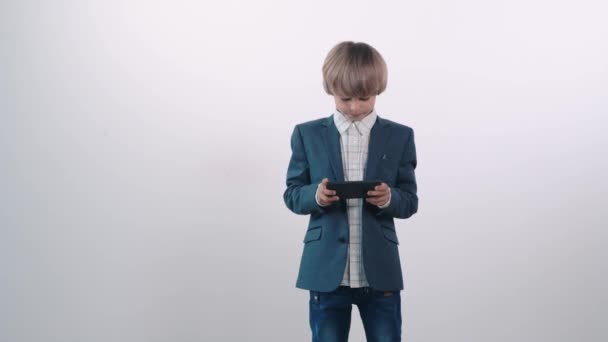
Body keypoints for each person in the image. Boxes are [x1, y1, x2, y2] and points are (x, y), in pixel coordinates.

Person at [283, 41, 419, 342]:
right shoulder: (306, 134)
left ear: (378, 90)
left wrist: (390, 198)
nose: (355, 107)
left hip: (379, 273)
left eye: (364, 97)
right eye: (345, 99)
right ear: (330, 90)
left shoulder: (400, 136)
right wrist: (316, 196)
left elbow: (410, 201)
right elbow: (292, 193)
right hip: (326, 272)